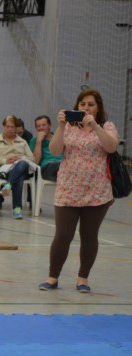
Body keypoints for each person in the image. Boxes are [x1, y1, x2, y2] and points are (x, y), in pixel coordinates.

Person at [39, 89, 119, 293]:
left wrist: (95, 127)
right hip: (68, 189)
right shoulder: (68, 127)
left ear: (98, 107)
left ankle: (83, 278)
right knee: (63, 235)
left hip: (97, 191)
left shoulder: (107, 126)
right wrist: (60, 127)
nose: (86, 108)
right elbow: (55, 150)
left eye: (91, 104)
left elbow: (111, 147)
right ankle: (52, 277)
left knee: (89, 236)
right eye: (83, 104)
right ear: (77, 106)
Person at [0, 115, 34, 219]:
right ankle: (17, 209)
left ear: (16, 128)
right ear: (4, 126)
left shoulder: (22, 142)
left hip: (21, 167)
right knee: (19, 178)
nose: (10, 129)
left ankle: (8, 185)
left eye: (12, 127)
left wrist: (21, 157)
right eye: (7, 126)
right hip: (4, 170)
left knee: (23, 163)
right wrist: (4, 160)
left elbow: (32, 158)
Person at [30, 115, 63, 182]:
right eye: (38, 126)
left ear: (50, 125)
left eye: (44, 125)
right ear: (36, 128)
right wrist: (39, 142)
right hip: (47, 167)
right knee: (59, 166)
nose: (41, 128)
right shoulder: (34, 141)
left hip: (63, 165)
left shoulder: (58, 138)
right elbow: (36, 161)